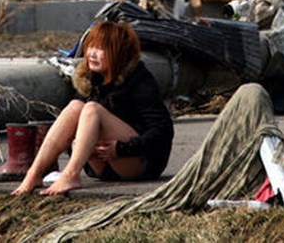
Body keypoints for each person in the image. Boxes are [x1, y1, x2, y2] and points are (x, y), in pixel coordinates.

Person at [12, 19, 174, 196]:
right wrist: (75, 145)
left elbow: (163, 130)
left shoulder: (140, 80)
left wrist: (121, 148)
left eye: (101, 49)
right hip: (100, 167)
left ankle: (71, 174)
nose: (92, 54)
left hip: (137, 163)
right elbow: (71, 130)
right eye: (90, 47)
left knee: (92, 109)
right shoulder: (90, 80)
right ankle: (34, 173)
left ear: (118, 53)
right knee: (75, 106)